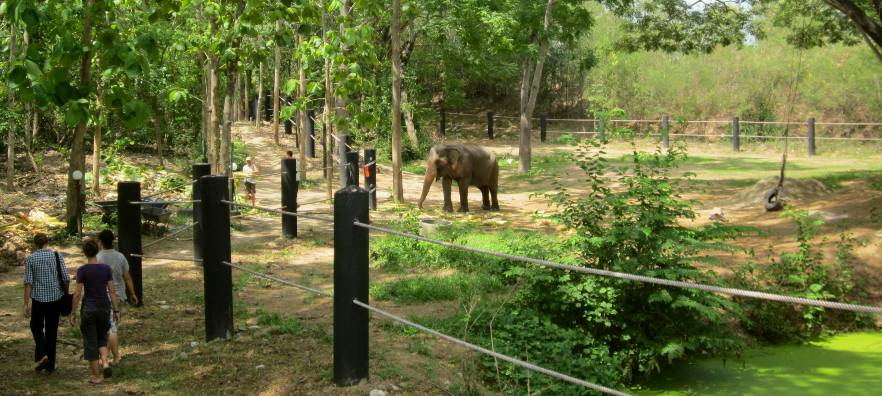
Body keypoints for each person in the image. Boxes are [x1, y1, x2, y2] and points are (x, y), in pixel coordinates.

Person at [70, 238, 120, 384]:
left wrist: (73, 312)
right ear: (97, 251)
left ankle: (97, 376)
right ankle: (105, 362)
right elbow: (112, 291)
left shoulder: (82, 270)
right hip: (104, 307)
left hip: (89, 309)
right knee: (102, 338)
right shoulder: (105, 269)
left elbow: (78, 294)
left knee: (91, 342)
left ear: (85, 253)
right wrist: (116, 310)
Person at [23, 233, 70, 373]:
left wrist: (26, 304)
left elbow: (28, 282)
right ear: (47, 242)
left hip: (38, 300)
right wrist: (66, 294)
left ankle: (43, 354)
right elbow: (66, 278)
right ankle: (50, 365)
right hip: (55, 298)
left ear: (35, 244)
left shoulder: (31, 258)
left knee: (36, 327)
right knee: (52, 331)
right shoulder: (57, 256)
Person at [97, 230, 137, 365]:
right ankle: (112, 356)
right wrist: (132, 294)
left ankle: (112, 356)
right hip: (119, 295)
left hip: (103, 296)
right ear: (113, 241)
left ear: (101, 242)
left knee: (109, 328)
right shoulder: (120, 257)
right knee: (112, 327)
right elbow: (127, 277)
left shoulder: (97, 258)